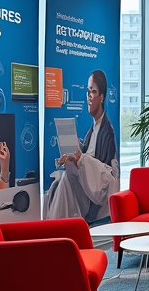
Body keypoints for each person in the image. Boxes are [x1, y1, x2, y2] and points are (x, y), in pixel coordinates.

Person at [45, 70, 119, 223]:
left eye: (94, 91)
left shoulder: (107, 132)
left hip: (94, 196)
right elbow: (85, 153)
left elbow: (104, 177)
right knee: (57, 183)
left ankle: (54, 227)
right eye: (88, 91)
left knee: (65, 180)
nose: (89, 96)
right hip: (84, 188)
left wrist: (80, 160)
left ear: (102, 97)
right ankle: (58, 227)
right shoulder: (92, 130)